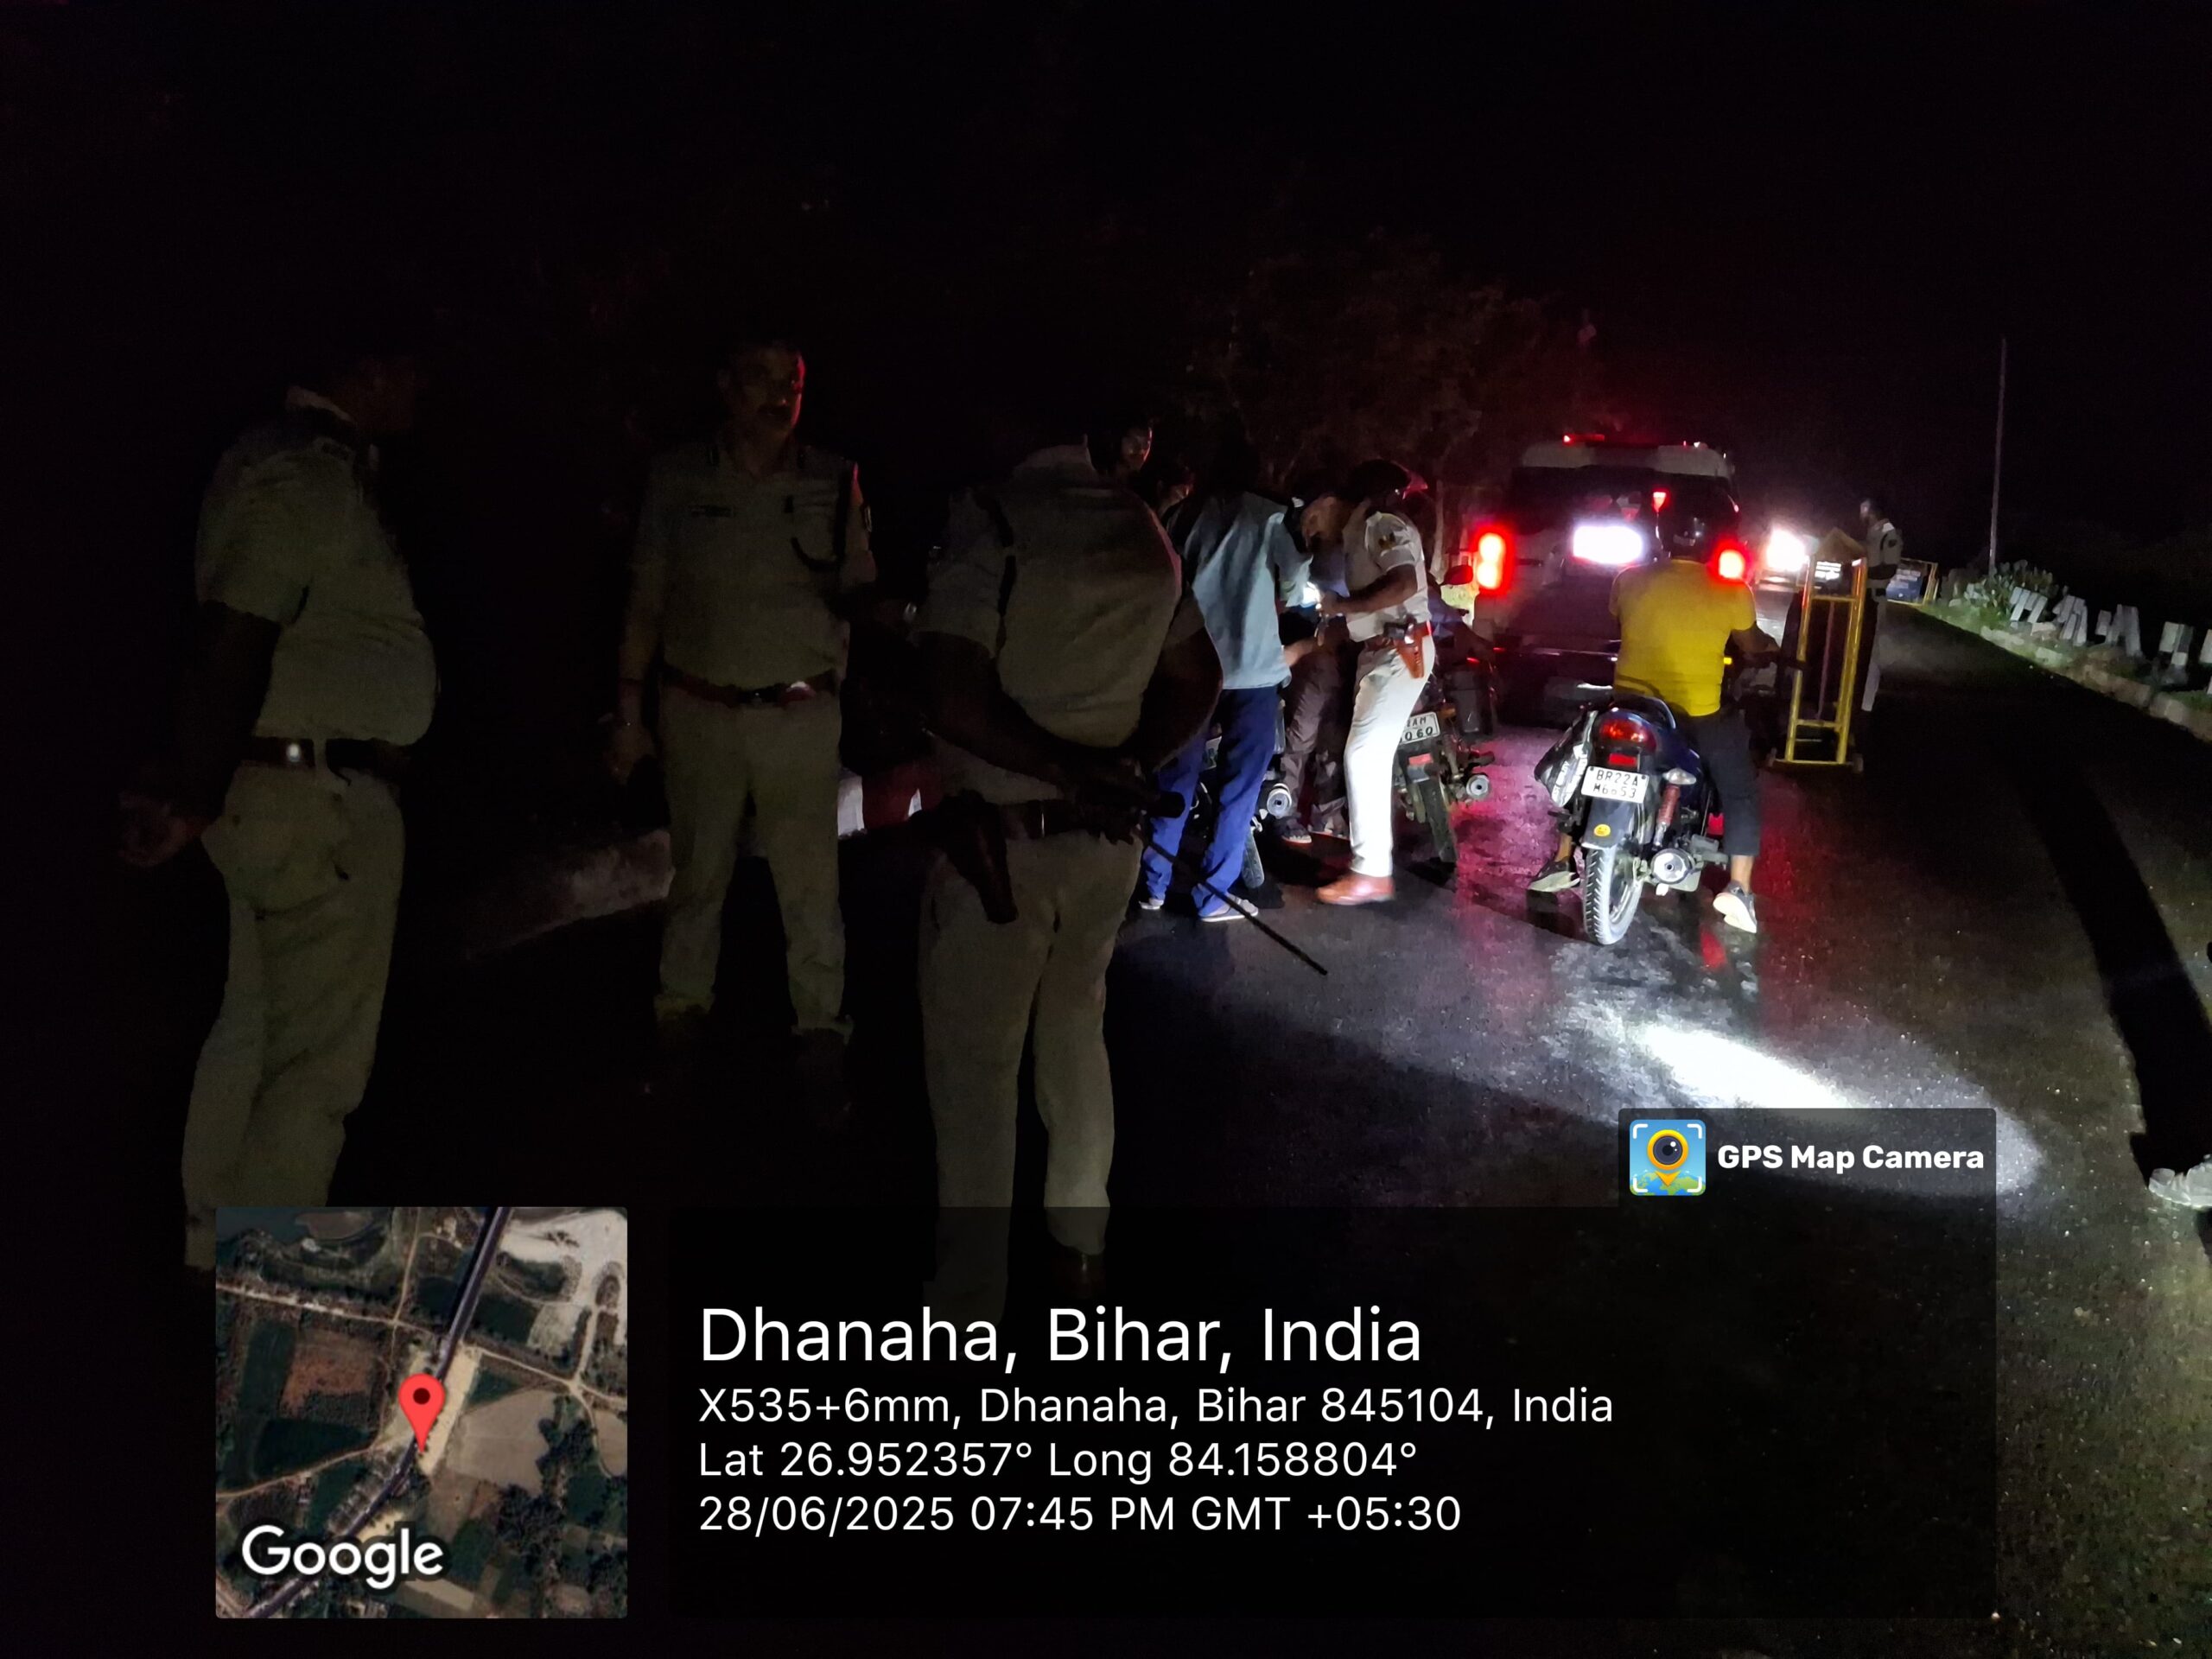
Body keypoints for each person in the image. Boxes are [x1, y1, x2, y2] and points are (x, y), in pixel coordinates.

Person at [121, 320, 437, 1269]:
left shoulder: (292, 463)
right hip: (311, 801)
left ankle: (212, 1254)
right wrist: (193, 787)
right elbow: (237, 629)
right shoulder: (303, 473)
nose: (422, 388)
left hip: (283, 791)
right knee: (315, 1062)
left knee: (249, 1030)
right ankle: (270, 1273)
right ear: (368, 367)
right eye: (409, 365)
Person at [915, 382, 1221, 1300]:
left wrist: (1065, 769)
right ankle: (1081, 1243)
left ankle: (971, 1294)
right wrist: (1125, 764)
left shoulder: (991, 518)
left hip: (999, 849)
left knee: (978, 1073)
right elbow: (1198, 678)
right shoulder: (1139, 527)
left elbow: (951, 693)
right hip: (1105, 848)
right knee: (1076, 1034)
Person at [607, 335, 880, 1108]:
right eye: (761, 378)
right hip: (699, 709)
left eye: (792, 380)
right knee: (698, 877)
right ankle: (680, 1019)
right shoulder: (679, 477)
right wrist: (629, 714)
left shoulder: (835, 479)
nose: (779, 395)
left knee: (810, 886)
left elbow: (863, 590)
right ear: (726, 386)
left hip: (800, 712)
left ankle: (821, 1032)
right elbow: (646, 600)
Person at [1528, 505, 1777, 931]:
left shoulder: (1629, 579)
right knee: (1740, 789)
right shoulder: (1732, 591)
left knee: (1584, 765)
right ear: (1713, 542)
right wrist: (1769, 649)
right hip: (1695, 714)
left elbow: (1622, 621)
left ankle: (1562, 858)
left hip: (1628, 704)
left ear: (1663, 535)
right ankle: (1738, 889)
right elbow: (1752, 644)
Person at [1136, 440, 1306, 917]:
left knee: (1175, 777)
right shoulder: (1271, 517)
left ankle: (1153, 884)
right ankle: (1212, 897)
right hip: (1254, 672)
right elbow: (1295, 585)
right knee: (1240, 788)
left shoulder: (1183, 514)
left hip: (1192, 665)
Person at [1301, 460, 1435, 906]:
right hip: (1381, 651)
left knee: (1363, 755)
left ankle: (1372, 871)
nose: (1308, 528)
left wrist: (1341, 605)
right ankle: (1369, 866)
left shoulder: (1381, 525)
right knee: (1364, 754)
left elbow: (1404, 583)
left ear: (1329, 502)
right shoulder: (1358, 535)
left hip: (1401, 650)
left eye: (1309, 515)